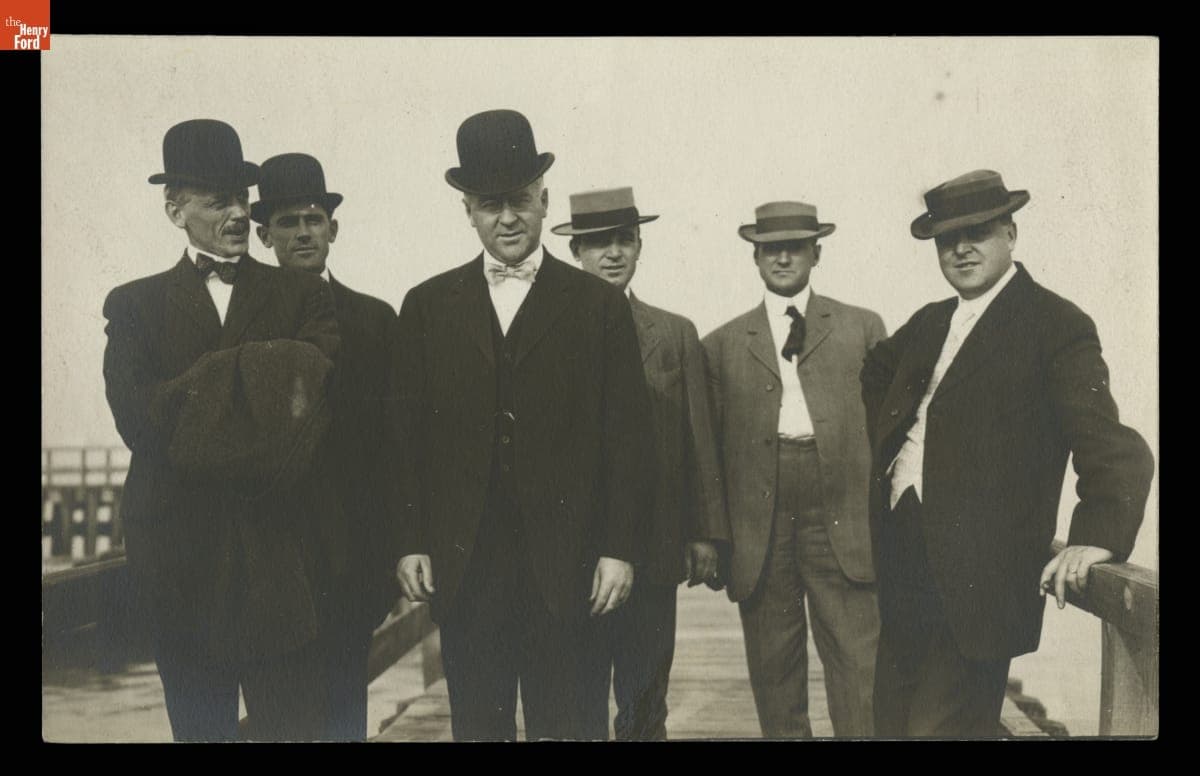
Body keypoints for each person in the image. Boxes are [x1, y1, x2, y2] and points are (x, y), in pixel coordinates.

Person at [389, 109, 655, 741]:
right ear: (467, 211)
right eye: (488, 205)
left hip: (568, 570)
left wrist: (619, 549)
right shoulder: (426, 307)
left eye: (517, 201)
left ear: (543, 200)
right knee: (478, 727)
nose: (506, 218)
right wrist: (411, 538)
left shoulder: (597, 306)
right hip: (467, 568)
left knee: (570, 724)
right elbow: (406, 442)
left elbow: (628, 438)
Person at [861, 169, 1155, 737]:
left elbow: (1113, 446)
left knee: (936, 732)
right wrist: (897, 453)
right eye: (948, 240)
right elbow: (875, 373)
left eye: (978, 232)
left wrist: (1097, 534)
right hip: (906, 561)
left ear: (1012, 233)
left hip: (982, 581)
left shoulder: (1055, 324)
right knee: (891, 725)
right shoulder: (929, 322)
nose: (962, 248)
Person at [102, 119, 341, 741]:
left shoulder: (301, 295)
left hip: (283, 568)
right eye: (218, 201)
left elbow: (311, 411)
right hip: (180, 571)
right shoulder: (133, 306)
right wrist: (249, 375)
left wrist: (195, 391)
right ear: (175, 209)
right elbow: (140, 425)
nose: (238, 214)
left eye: (243, 198)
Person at [553, 186, 730, 740]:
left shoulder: (673, 334)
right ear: (575, 251)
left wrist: (703, 533)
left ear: (639, 246)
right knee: (574, 693)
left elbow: (699, 439)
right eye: (597, 243)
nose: (611, 254)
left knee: (646, 694)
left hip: (653, 546)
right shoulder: (548, 331)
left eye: (623, 241)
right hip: (570, 548)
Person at [703, 201, 885, 738]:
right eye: (770, 249)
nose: (782, 258)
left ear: (817, 253)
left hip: (842, 510)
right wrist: (713, 537)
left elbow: (890, 430)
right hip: (761, 519)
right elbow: (709, 456)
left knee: (858, 663)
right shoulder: (721, 345)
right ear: (755, 258)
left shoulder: (861, 327)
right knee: (774, 667)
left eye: (795, 247)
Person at [251, 152, 400, 740]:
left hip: (351, 563)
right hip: (270, 564)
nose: (304, 233)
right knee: (275, 720)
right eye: (287, 223)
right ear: (264, 235)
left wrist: (387, 561)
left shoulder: (375, 319)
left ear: (333, 229)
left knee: (344, 716)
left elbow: (394, 449)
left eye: (314, 219)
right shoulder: (244, 323)